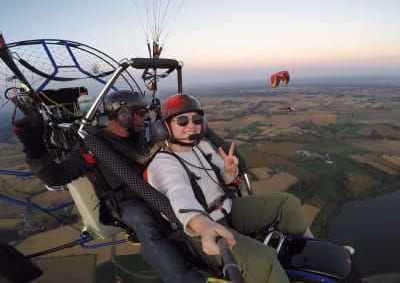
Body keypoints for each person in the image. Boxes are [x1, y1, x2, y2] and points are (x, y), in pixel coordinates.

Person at [12, 90, 206, 283]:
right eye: (140, 113)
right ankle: (185, 279)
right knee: (144, 221)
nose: (145, 117)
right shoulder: (92, 145)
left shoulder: (139, 137)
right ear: (123, 116)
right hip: (124, 202)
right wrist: (34, 146)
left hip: (151, 190)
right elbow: (56, 177)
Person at [146, 94, 315, 283]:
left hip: (228, 208)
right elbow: (179, 196)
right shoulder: (163, 165)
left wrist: (228, 171)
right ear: (164, 128)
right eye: (182, 121)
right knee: (262, 261)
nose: (191, 125)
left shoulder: (201, 147)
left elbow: (222, 179)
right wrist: (205, 226)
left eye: (197, 120)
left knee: (288, 203)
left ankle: (315, 252)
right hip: (205, 228)